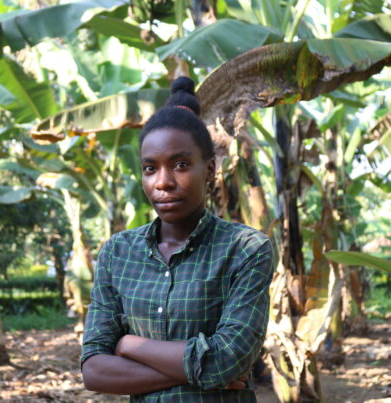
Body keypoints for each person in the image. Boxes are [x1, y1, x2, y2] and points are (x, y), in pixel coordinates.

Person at [81, 76, 274, 402]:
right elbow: (94, 370)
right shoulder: (119, 253)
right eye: (149, 168)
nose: (163, 182)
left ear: (210, 169)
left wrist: (127, 346)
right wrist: (203, 373)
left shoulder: (245, 249)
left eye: (181, 165)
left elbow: (227, 360)